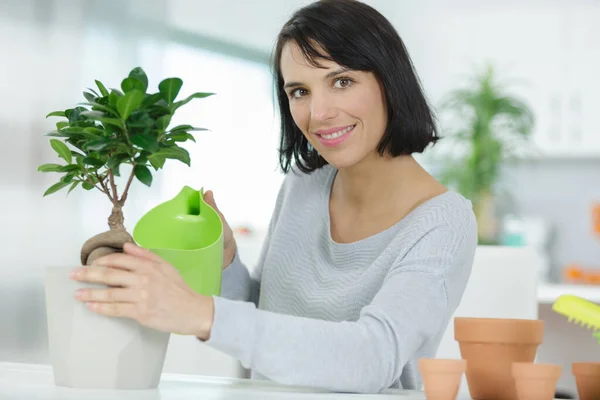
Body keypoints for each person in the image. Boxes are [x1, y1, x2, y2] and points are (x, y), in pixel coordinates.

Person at [69, 0, 478, 394]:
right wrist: (227, 262)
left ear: (390, 81)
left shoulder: (442, 222)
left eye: (341, 81)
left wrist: (202, 313)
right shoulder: (305, 183)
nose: (318, 113)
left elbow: (374, 356)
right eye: (299, 91)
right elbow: (264, 319)